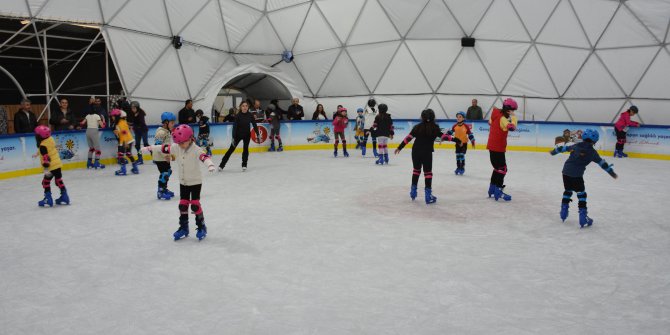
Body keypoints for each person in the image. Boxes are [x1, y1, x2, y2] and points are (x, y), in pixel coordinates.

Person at [142, 125, 215, 240]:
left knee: (195, 205)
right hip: (183, 182)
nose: (180, 145)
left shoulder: (196, 149)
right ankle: (183, 228)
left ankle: (201, 227)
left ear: (190, 138)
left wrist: (209, 164)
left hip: (195, 182)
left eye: (182, 142)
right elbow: (163, 148)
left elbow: (204, 157)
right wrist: (150, 148)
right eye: (178, 143)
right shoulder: (177, 147)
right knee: (182, 205)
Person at [550, 129, 617, 228]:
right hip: (577, 175)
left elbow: (563, 148)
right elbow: (602, 163)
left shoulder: (576, 146)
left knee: (568, 190)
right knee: (581, 194)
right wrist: (611, 172)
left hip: (566, 172)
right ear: (595, 141)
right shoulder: (593, 153)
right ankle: (583, 217)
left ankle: (563, 212)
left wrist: (553, 152)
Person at [394, 109, 460, 204]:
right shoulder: (435, 128)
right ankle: (428, 196)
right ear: (433, 117)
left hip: (416, 152)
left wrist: (399, 147)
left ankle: (413, 192)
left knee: (416, 171)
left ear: (422, 117)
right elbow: (445, 137)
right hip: (427, 153)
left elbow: (408, 138)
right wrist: (457, 140)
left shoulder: (417, 127)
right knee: (428, 173)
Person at [487, 98, 518, 201]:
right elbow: (512, 128)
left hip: (492, 146)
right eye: (513, 110)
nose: (513, 112)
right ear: (508, 110)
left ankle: (492, 188)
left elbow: (489, 122)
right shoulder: (503, 119)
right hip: (498, 147)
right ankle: (498, 191)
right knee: (503, 169)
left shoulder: (496, 115)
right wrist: (514, 119)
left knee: (497, 168)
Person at [218, 101, 260, 171]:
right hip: (237, 135)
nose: (245, 107)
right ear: (240, 107)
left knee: (245, 149)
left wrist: (258, 134)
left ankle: (244, 164)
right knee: (231, 149)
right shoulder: (238, 116)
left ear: (248, 107)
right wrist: (233, 138)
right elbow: (234, 127)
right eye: (243, 106)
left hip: (247, 135)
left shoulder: (250, 115)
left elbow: (254, 125)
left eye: (246, 106)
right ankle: (221, 165)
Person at [35, 125, 69, 207]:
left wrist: (46, 170)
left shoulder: (42, 146)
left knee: (45, 182)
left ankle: (48, 199)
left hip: (50, 167)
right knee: (58, 181)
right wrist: (37, 153)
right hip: (58, 165)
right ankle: (65, 196)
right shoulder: (50, 139)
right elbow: (48, 149)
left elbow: (46, 158)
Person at [153, 112, 177, 200]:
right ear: (166, 123)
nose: (173, 125)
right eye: (172, 123)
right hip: (159, 158)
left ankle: (164, 188)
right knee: (164, 173)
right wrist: (165, 156)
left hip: (165, 157)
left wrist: (170, 155)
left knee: (168, 171)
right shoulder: (161, 133)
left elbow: (167, 146)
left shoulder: (167, 132)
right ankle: (160, 191)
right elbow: (158, 146)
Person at [111, 109, 140, 176]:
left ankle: (123, 170)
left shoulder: (120, 123)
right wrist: (117, 132)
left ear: (117, 116)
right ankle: (135, 168)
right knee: (128, 153)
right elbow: (123, 131)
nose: (112, 117)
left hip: (125, 140)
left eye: (113, 116)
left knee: (120, 154)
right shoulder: (122, 121)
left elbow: (124, 132)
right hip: (129, 140)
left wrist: (125, 143)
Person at [80, 105, 106, 169]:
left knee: (91, 148)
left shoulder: (87, 116)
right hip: (94, 131)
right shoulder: (97, 116)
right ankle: (97, 163)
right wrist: (103, 119)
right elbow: (102, 126)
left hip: (88, 131)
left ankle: (89, 163)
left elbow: (82, 123)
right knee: (97, 149)